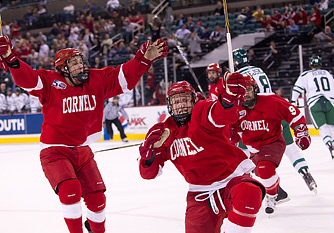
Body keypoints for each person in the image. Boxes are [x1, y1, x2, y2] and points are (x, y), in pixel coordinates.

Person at [0, 33, 167, 233]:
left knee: (98, 200)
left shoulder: (96, 79)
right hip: (55, 151)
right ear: (62, 69)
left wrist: (143, 60)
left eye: (81, 62)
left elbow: (123, 78)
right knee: (70, 191)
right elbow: (28, 79)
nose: (81, 67)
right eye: (75, 64)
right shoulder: (50, 81)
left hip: (83, 152)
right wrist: (11, 58)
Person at [138, 78, 266, 233]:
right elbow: (149, 174)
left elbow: (220, 114)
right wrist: (149, 156)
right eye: (176, 102)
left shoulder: (200, 111)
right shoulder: (164, 132)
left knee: (249, 192)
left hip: (231, 180)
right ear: (170, 105)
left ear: (193, 100)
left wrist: (227, 99)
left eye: (185, 100)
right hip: (199, 193)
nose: (181, 105)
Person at [232, 48, 317, 193]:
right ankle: (305, 172)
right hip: (275, 110)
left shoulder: (237, 77)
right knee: (290, 147)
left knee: (248, 150)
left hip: (255, 114)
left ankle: (268, 183)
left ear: (234, 62)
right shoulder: (258, 70)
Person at [231, 75, 311, 214]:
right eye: (242, 90)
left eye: (248, 89)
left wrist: (301, 131)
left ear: (255, 90)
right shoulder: (236, 108)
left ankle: (271, 195)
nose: (245, 93)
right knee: (249, 172)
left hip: (272, 141)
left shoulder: (270, 101)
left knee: (264, 169)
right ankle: (278, 193)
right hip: (253, 148)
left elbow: (293, 112)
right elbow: (235, 131)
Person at [291, 56, 334, 160]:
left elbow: (297, 88)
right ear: (321, 64)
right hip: (330, 102)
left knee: (322, 127)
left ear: (310, 65)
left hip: (315, 103)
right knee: (331, 126)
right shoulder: (328, 74)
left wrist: (293, 101)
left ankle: (328, 143)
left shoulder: (305, 75)